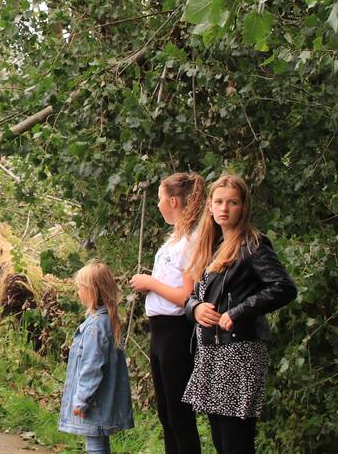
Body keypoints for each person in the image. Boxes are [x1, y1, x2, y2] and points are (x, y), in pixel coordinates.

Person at [182, 174, 297, 454]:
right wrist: (194, 309)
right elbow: (194, 297)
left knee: (236, 442)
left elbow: (284, 287)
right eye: (219, 201)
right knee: (221, 440)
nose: (224, 208)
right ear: (209, 206)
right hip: (211, 352)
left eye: (232, 202)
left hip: (240, 352)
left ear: (243, 207)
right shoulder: (211, 246)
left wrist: (239, 311)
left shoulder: (253, 244)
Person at [129, 173, 206, 454]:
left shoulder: (192, 241)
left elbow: (186, 297)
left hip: (176, 332)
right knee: (165, 412)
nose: (158, 205)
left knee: (179, 413)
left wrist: (150, 283)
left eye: (160, 199)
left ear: (173, 200)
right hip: (159, 331)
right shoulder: (174, 239)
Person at [59, 261, 134, 453]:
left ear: (92, 291)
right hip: (102, 401)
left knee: (95, 444)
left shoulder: (95, 326)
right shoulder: (106, 321)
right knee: (98, 441)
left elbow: (92, 367)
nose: (78, 292)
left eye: (80, 287)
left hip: (95, 402)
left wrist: (81, 399)